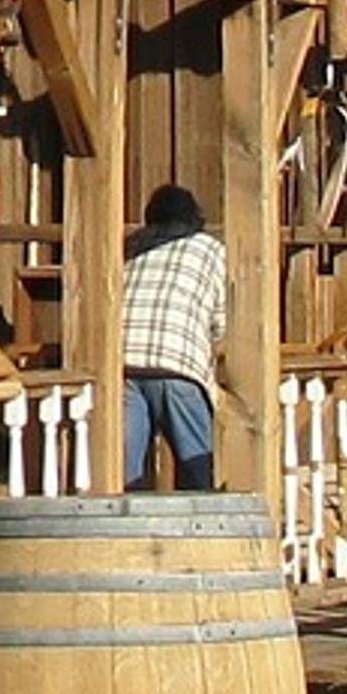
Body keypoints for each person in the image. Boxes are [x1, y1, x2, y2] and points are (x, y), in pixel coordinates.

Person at [119, 184, 230, 491]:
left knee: (125, 475)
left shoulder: (132, 246)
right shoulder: (211, 249)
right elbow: (223, 325)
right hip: (178, 365)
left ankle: (130, 535)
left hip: (123, 364)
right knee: (196, 466)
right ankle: (199, 534)